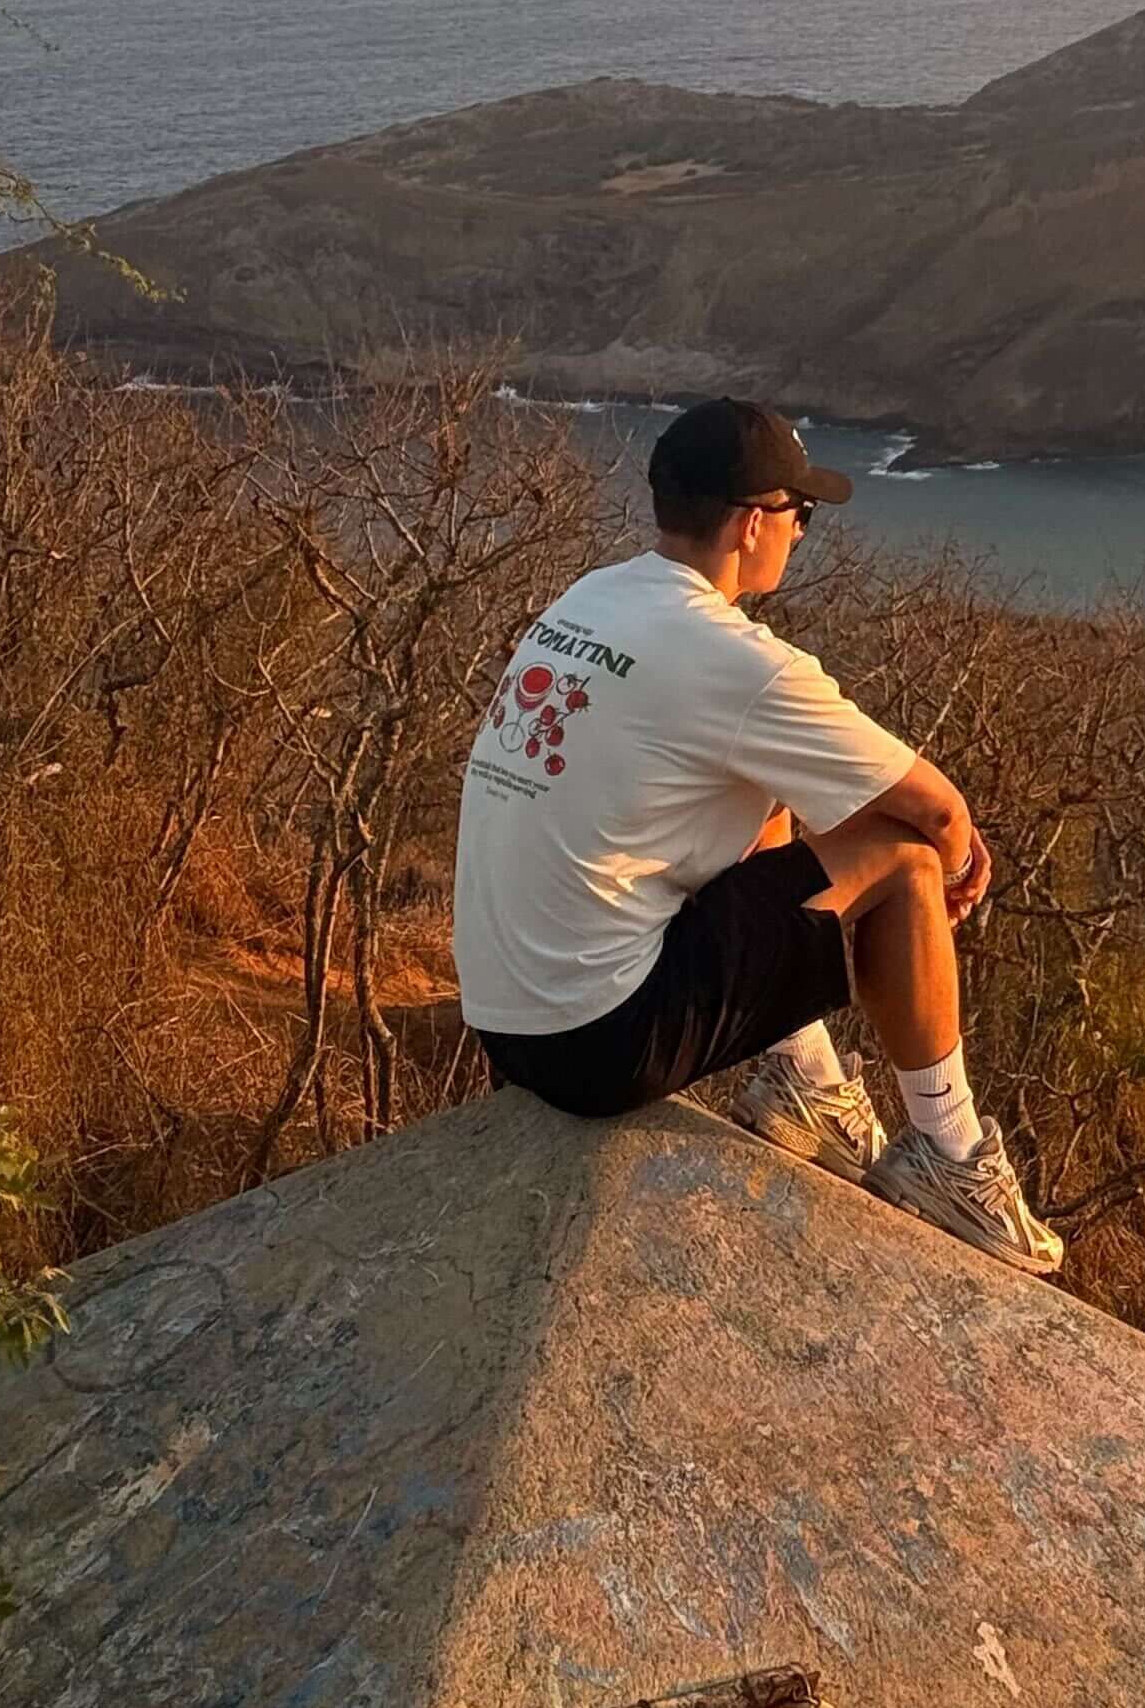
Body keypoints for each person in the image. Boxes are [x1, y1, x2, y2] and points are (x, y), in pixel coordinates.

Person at [453, 394, 1062, 1276]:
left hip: (508, 1023)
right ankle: (953, 1157)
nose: (804, 533)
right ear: (750, 524)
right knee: (906, 859)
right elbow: (933, 810)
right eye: (798, 512)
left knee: (761, 785)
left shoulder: (592, 599)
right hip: (599, 1045)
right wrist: (961, 864)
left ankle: (807, 1085)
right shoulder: (738, 662)